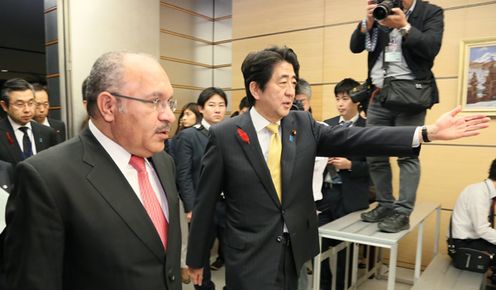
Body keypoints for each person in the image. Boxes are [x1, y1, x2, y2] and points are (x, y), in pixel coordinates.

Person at [186, 45, 489, 290]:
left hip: (295, 250)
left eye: (293, 82)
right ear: (255, 88)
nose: (292, 91)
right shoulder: (225, 135)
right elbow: (206, 201)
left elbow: (357, 137)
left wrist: (425, 133)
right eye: (282, 82)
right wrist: (196, 258)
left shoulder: (302, 124)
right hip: (248, 255)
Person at [3, 52, 182, 290]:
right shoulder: (46, 178)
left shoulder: (164, 162)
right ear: (108, 106)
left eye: (170, 102)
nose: (169, 115)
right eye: (154, 102)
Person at [350, 0, 445, 233]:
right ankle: (384, 204)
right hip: (379, 96)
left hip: (411, 97)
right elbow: (355, 46)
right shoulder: (384, 7)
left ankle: (402, 212)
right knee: (374, 155)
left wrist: (405, 26)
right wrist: (368, 22)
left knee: (407, 156)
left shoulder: (430, 12)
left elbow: (431, 47)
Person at [319, 78, 371, 290]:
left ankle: (343, 286)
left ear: (356, 101)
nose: (340, 103)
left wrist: (350, 165)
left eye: (345, 99)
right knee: (319, 247)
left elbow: (376, 169)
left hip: (350, 196)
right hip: (325, 194)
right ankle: (323, 285)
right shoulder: (327, 125)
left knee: (346, 250)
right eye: (337, 99)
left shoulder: (367, 128)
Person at [173, 87, 228, 290]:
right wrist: (190, 207)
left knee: (232, 252)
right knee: (200, 255)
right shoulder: (189, 136)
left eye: (222, 105)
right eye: (212, 105)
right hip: (202, 207)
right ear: (201, 109)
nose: (217, 110)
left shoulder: (231, 133)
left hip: (229, 206)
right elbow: (184, 175)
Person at [0, 78, 58, 166]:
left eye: (31, 103)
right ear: (4, 106)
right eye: (20, 104)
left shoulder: (48, 133)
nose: (27, 110)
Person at [450, 158, 496, 257]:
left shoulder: (485, 191)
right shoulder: (478, 194)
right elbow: (482, 230)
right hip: (462, 244)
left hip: (475, 239)